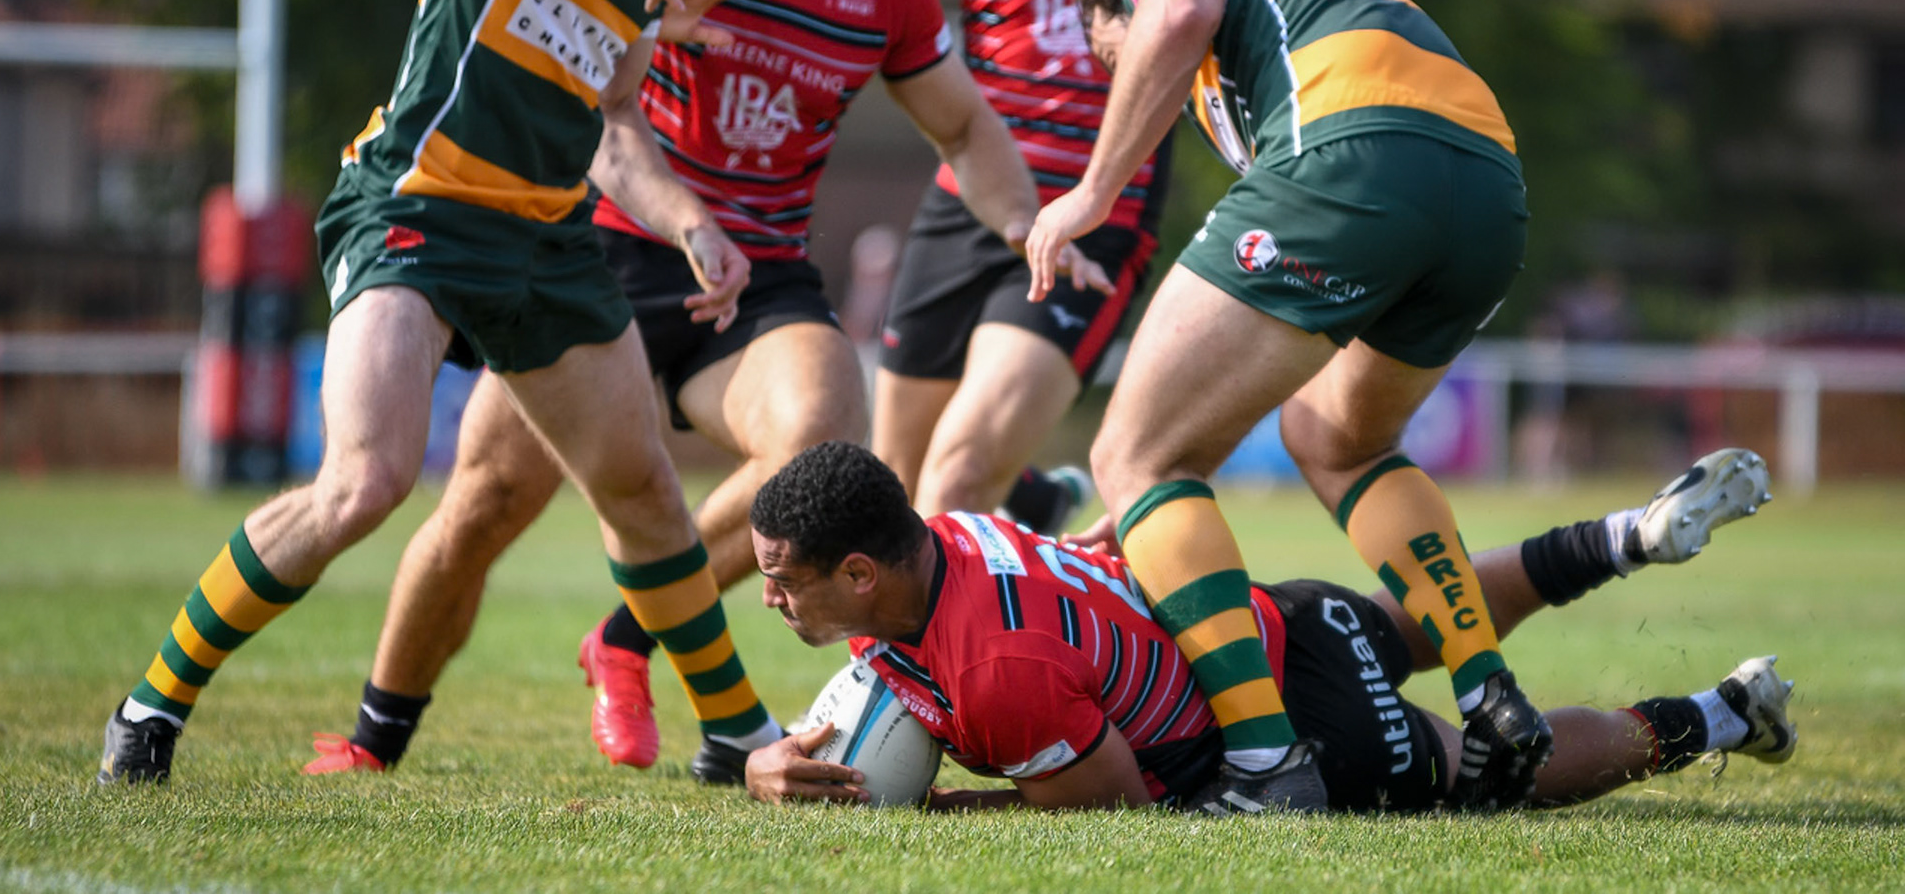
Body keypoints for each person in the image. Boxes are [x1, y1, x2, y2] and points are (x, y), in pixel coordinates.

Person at [295, 0, 1107, 783]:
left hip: (759, 279)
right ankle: (372, 737)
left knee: (825, 440)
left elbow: (964, 123)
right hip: (606, 254)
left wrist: (1029, 223)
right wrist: (686, 215)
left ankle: (624, 636)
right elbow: (603, 116)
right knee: (483, 503)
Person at [95, 0, 820, 786]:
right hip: (420, 201)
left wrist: (689, 221)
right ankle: (151, 707)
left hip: (546, 236)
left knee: (641, 489)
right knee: (366, 481)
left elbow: (613, 115)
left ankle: (735, 735)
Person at [1019, 0, 1561, 813]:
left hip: (1356, 156)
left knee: (1126, 453)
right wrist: (1161, 495)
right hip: (1488, 191)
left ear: (1112, 3)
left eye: (1114, 54)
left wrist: (1092, 192)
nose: (1132, 75)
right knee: (1338, 438)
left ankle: (1268, 765)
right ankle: (1486, 690)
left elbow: (1181, 9)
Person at [742, 441, 1791, 813]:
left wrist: (933, 811)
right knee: (1417, 619)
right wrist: (764, 764)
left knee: (1490, 768)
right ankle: (1624, 537)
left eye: (782, 578)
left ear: (864, 570)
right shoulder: (948, 536)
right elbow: (893, 663)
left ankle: (1729, 709)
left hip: (1293, 724)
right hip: (1259, 619)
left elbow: (1105, 807)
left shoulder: (996, 668)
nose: (770, 597)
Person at [872, 0, 1265, 525]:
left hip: (1096, 223)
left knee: (958, 473)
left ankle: (936, 652)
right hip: (965, 209)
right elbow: (884, 9)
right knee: (892, 489)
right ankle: (1030, 503)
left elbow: (1272, 49)